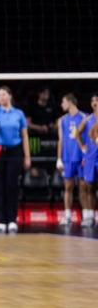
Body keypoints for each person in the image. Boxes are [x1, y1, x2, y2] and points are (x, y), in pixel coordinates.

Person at [0, 86, 31, 233]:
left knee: (12, 186)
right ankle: (1, 220)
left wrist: (27, 156)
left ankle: (12, 220)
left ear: (9, 96)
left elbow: (25, 136)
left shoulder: (19, 113)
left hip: (15, 152)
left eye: (3, 95)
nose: (1, 98)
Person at [57, 93, 89, 226]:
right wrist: (59, 158)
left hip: (81, 157)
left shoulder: (85, 118)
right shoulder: (62, 120)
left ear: (70, 102)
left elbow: (88, 139)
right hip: (67, 158)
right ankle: (68, 216)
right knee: (68, 187)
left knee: (83, 187)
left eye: (63, 102)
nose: (61, 105)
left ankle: (87, 216)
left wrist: (86, 156)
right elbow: (61, 140)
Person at [74, 93, 98, 227]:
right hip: (90, 157)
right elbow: (77, 133)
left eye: (97, 100)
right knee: (89, 187)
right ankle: (89, 216)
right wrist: (83, 147)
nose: (94, 103)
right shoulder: (87, 119)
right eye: (92, 101)